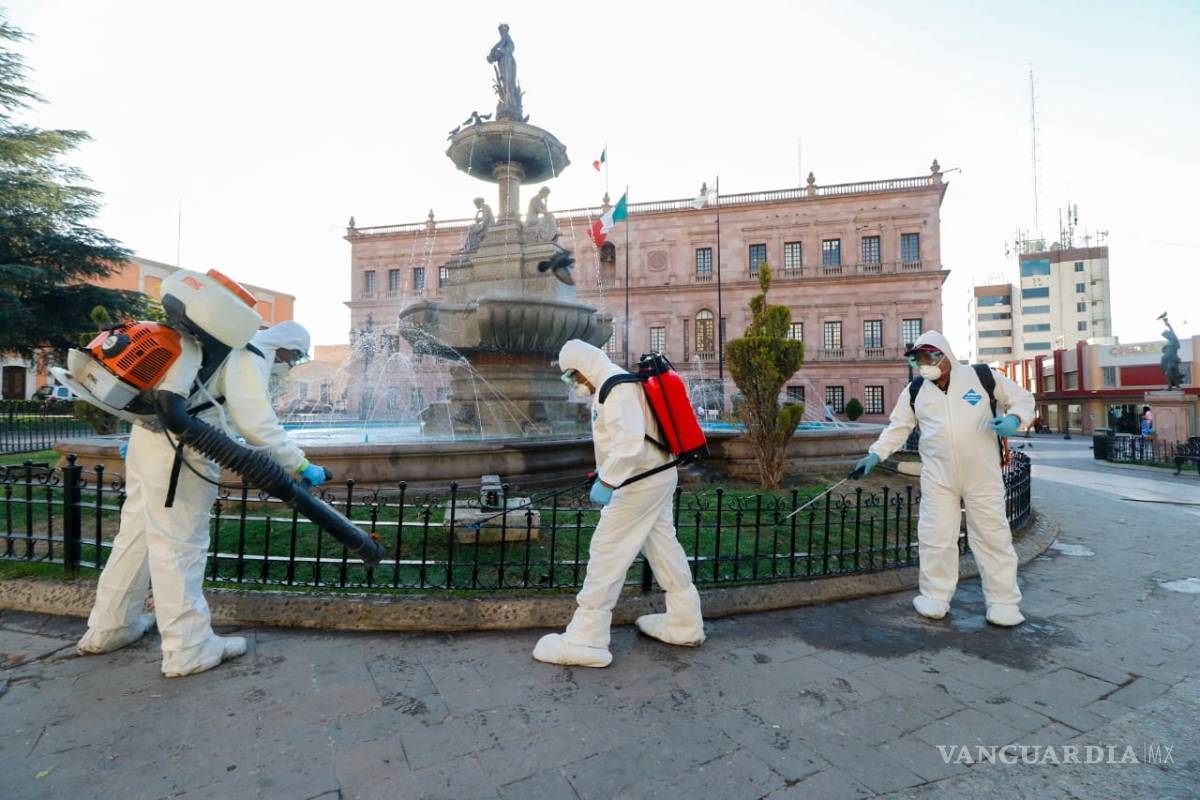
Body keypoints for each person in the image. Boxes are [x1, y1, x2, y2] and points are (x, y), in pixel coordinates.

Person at [77, 320, 327, 677]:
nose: (289, 364)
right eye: (294, 357)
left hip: (148, 440)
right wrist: (300, 463)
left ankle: (110, 626)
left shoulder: (213, 343)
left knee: (136, 538)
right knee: (180, 545)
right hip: (183, 452)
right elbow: (256, 425)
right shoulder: (247, 354)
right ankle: (188, 647)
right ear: (286, 348)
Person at [533, 340, 705, 667]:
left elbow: (629, 445)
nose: (572, 385)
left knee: (607, 550)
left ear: (582, 368)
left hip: (638, 482)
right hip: (657, 475)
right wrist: (604, 472)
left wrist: (608, 481)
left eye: (571, 377)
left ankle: (587, 638)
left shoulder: (614, 386)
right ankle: (685, 621)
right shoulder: (621, 381)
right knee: (662, 546)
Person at [851, 331, 1034, 627]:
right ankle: (935, 595)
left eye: (927, 357)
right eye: (918, 359)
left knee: (992, 537)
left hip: (982, 475)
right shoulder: (915, 391)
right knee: (936, 537)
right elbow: (898, 427)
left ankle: (1003, 602)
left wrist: (1014, 419)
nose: (923, 365)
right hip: (938, 476)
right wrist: (875, 455)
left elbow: (1023, 399)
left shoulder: (982, 377)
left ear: (945, 354)